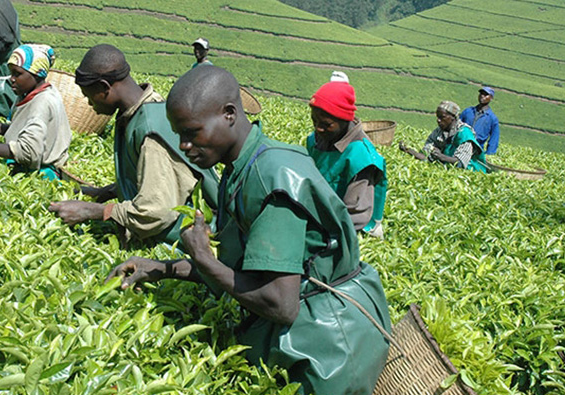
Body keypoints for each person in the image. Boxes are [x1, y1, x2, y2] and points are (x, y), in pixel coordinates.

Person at [107, 65, 391, 395]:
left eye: (192, 132)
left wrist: (204, 258)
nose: (183, 146)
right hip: (321, 325)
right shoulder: (243, 166)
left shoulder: (270, 178)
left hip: (329, 352)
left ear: (229, 114)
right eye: (178, 134)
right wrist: (159, 268)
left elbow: (280, 305)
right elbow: (240, 268)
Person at [48, 44, 219, 246]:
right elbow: (154, 177)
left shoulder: (150, 130)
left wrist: (92, 210)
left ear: (104, 88)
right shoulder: (140, 111)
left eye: (89, 96)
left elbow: (155, 213)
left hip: (186, 245)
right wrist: (107, 192)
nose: (89, 104)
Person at [0, 44, 71, 180]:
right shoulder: (37, 92)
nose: (12, 79)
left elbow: (28, 152)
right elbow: (22, 130)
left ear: (36, 74)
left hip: (42, 175)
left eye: (18, 74)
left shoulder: (42, 103)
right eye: (11, 73)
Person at [306, 81, 387, 238]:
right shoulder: (317, 139)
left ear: (344, 120)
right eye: (314, 121)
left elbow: (356, 217)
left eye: (326, 124)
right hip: (320, 216)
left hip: (350, 230)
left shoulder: (362, 157)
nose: (318, 128)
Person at [399, 100, 488, 172]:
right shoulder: (439, 131)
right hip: (447, 169)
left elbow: (460, 162)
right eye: (437, 117)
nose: (438, 120)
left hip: (470, 171)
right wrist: (409, 150)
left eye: (442, 117)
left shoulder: (464, 134)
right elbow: (426, 156)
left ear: (453, 117)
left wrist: (441, 156)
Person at [459, 86, 500, 156]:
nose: (482, 96)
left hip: (476, 151)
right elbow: (456, 126)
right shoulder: (468, 111)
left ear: (491, 98)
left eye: (486, 94)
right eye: (481, 93)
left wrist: (489, 155)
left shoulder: (492, 119)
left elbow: (494, 140)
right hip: (460, 146)